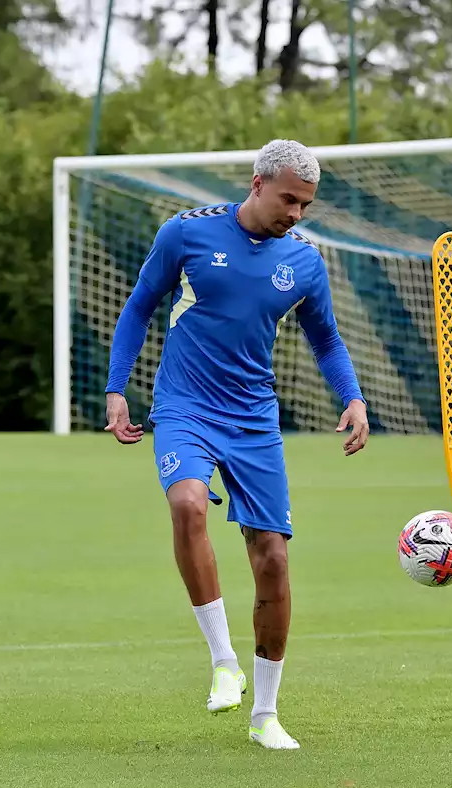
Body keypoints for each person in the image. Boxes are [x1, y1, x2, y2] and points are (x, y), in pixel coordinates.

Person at [103, 139, 369, 750]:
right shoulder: (187, 233)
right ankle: (223, 659)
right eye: (288, 199)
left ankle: (266, 715)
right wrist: (117, 389)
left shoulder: (303, 261)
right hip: (185, 406)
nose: (297, 213)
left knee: (272, 558)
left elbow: (325, 339)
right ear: (256, 184)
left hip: (254, 420)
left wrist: (351, 396)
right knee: (188, 505)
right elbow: (140, 305)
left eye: (306, 204)